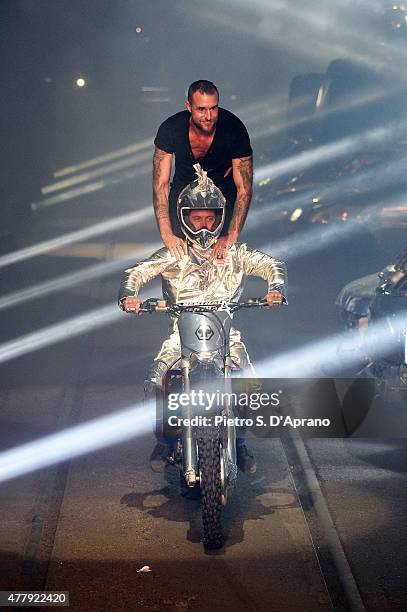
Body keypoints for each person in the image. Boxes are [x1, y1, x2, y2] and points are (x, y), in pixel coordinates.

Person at [119, 166, 286, 474]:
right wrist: (129, 296)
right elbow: (137, 272)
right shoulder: (174, 252)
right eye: (197, 218)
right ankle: (166, 442)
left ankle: (240, 445)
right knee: (156, 380)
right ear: (184, 217)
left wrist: (275, 289)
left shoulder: (233, 252)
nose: (204, 224)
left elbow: (269, 264)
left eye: (210, 217)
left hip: (227, 336)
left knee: (250, 381)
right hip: (180, 337)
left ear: (220, 217)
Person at [152, 79, 253, 261]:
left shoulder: (234, 129)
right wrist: (166, 233)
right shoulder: (171, 129)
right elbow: (161, 184)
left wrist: (231, 235)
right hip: (183, 199)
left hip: (222, 200)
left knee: (222, 261)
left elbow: (244, 189)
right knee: (180, 261)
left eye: (213, 108)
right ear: (188, 106)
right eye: (201, 109)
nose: (208, 116)